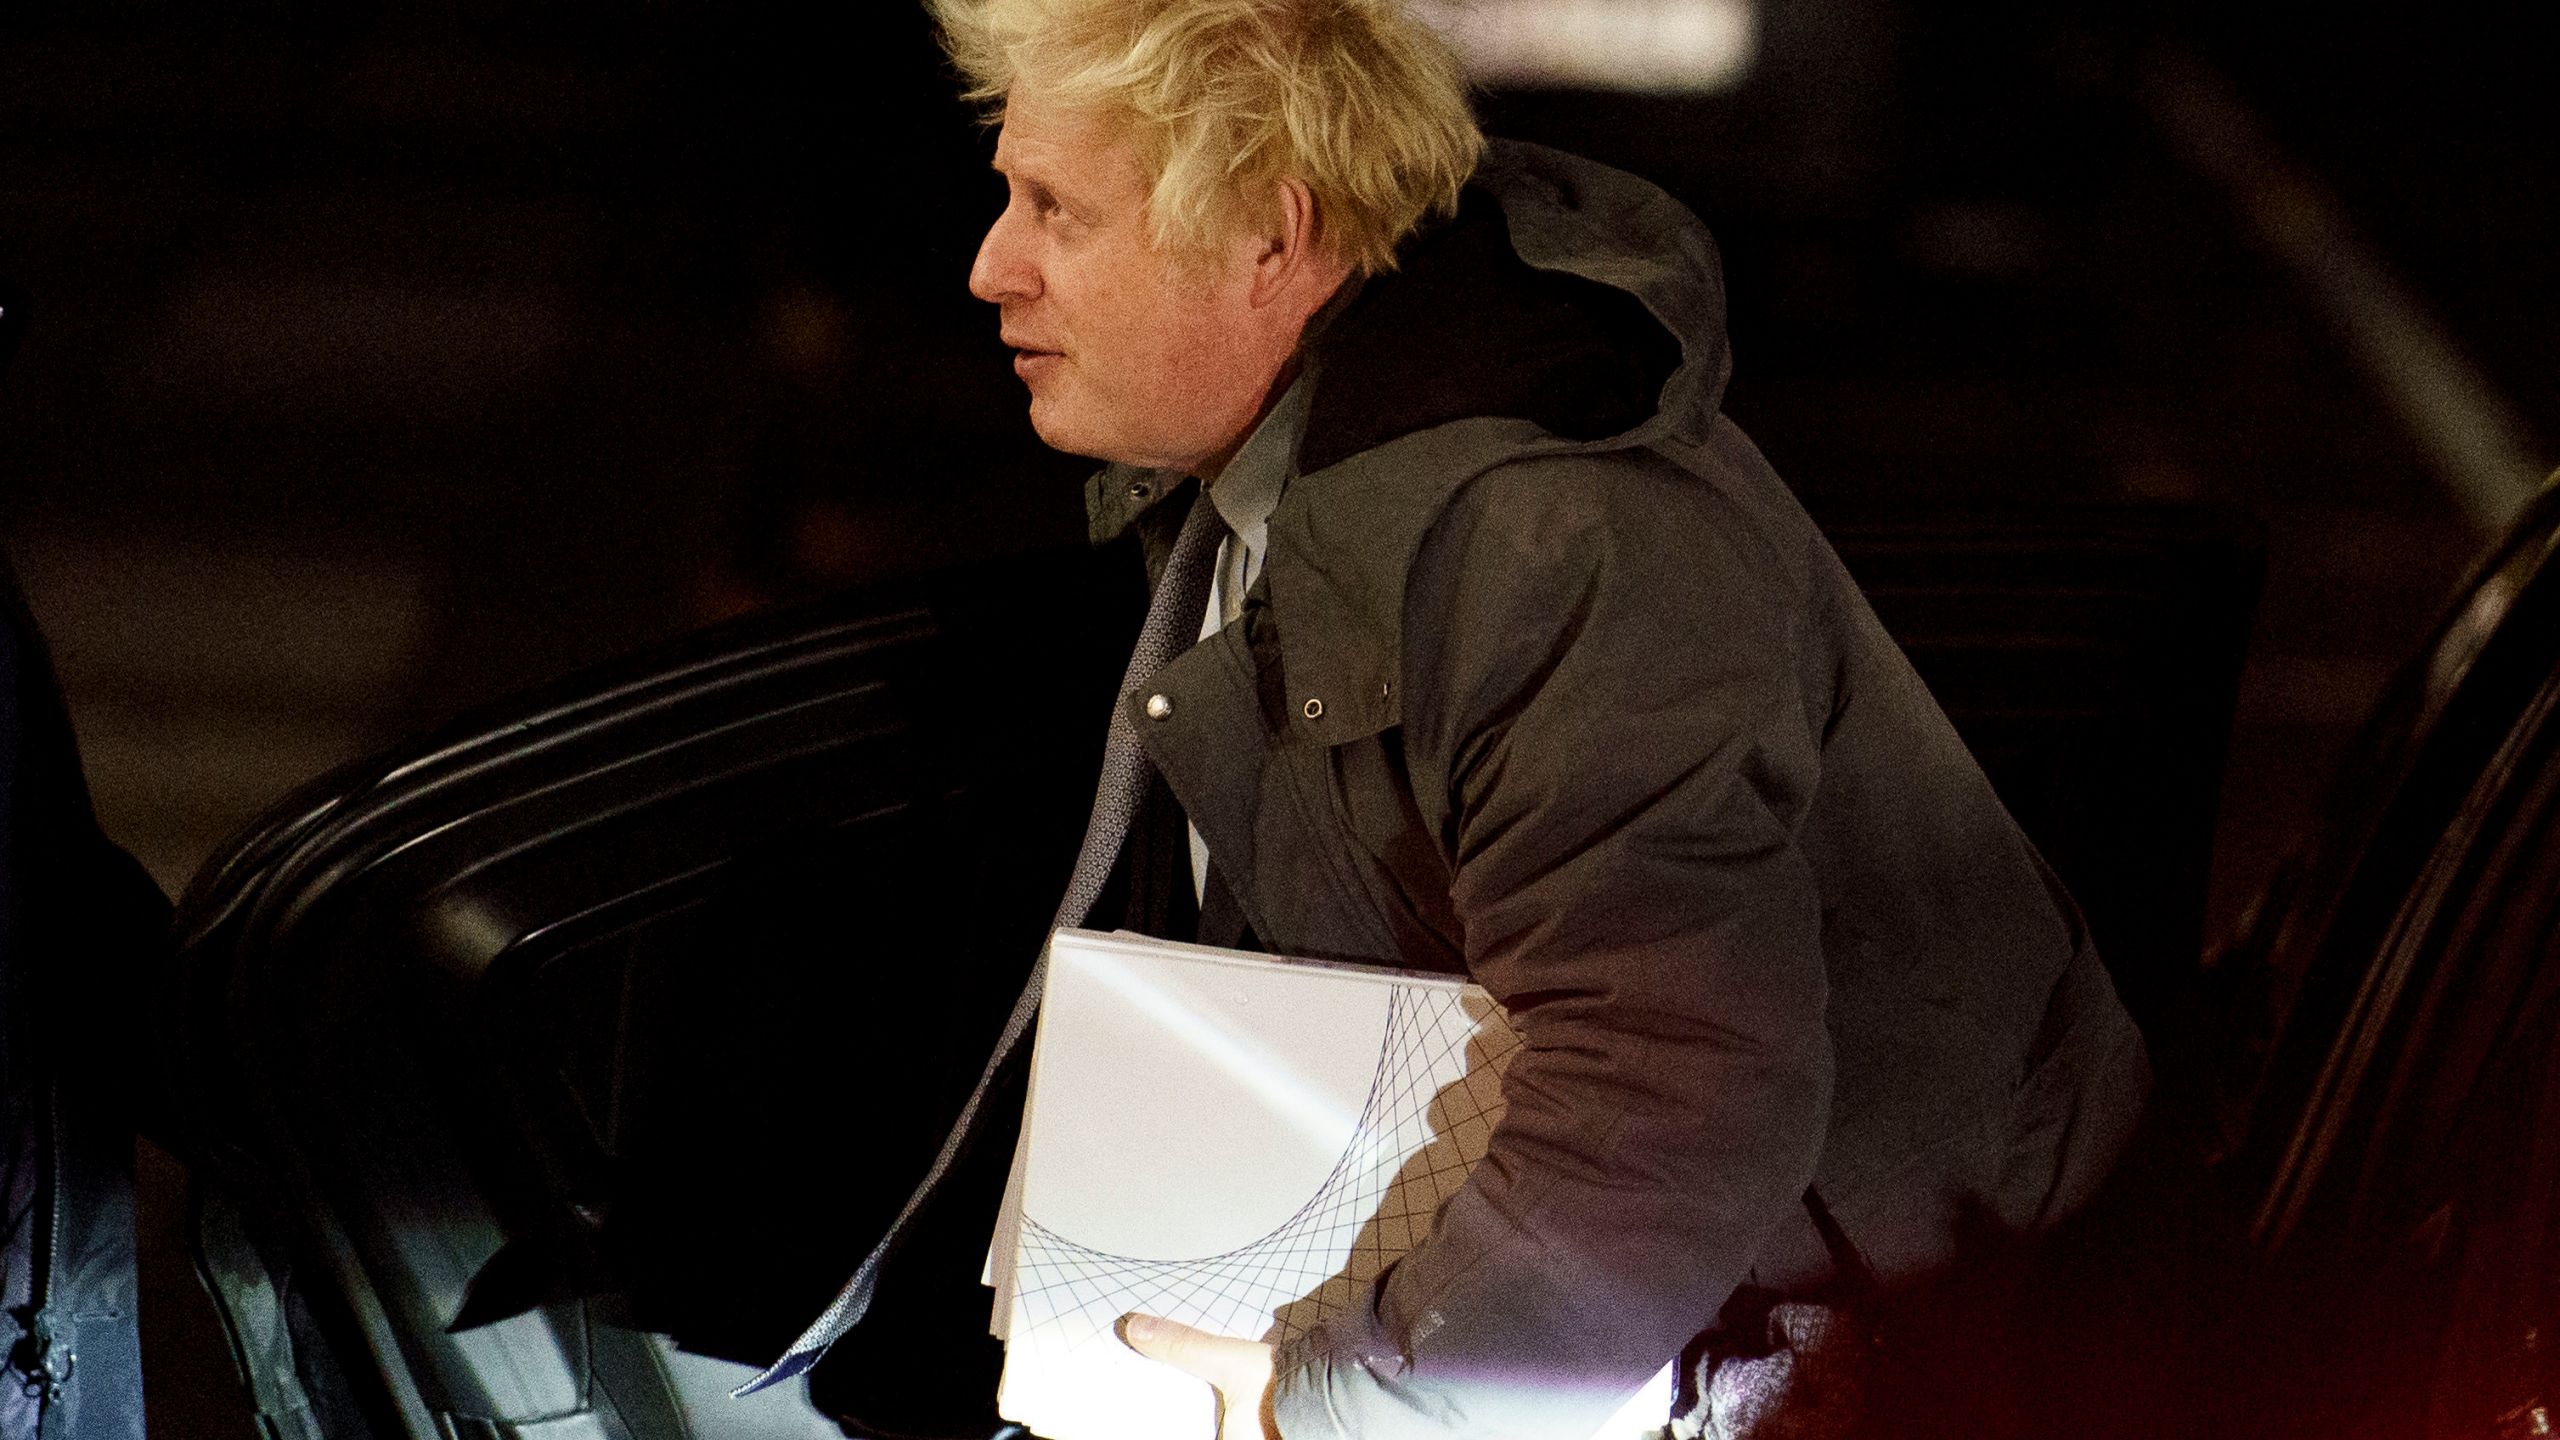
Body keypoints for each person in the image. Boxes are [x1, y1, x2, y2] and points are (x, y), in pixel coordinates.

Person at [875, 0, 2153, 1433]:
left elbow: (1669, 1096)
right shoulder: (1272, 469)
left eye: (1058, 209)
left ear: (1271, 238)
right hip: (1664, 1275)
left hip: (1895, 1324)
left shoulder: (1553, 550)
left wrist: (1346, 1407)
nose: (994, 266)